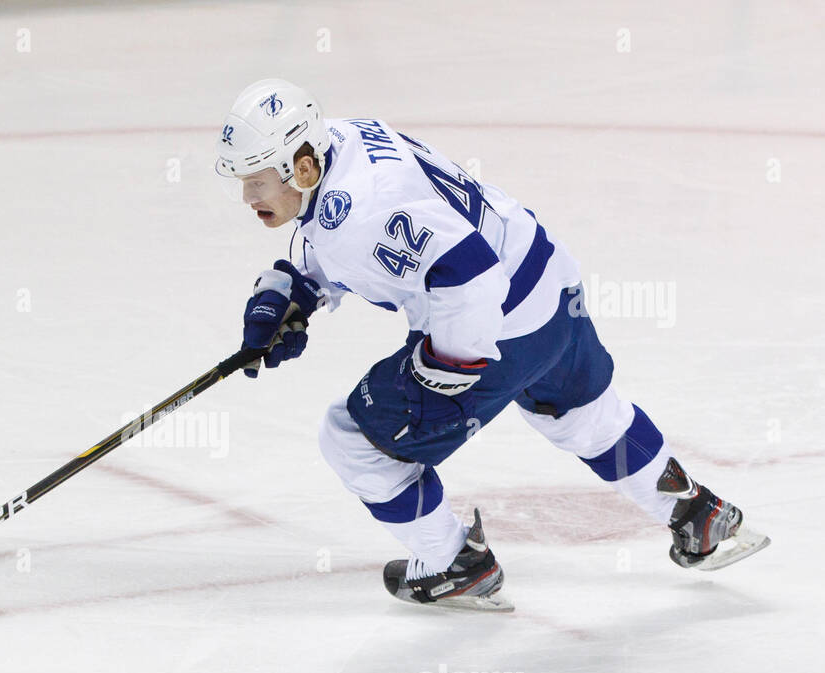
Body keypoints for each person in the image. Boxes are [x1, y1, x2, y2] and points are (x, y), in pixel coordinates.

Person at [216, 79, 767, 611]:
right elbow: (342, 230)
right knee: (582, 417)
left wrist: (448, 367)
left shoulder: (362, 212)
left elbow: (468, 275)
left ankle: (455, 564)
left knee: (353, 439)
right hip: (547, 282)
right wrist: (292, 289)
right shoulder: (339, 139)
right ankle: (693, 511)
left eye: (256, 181)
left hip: (493, 322)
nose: (247, 196)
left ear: (301, 167)